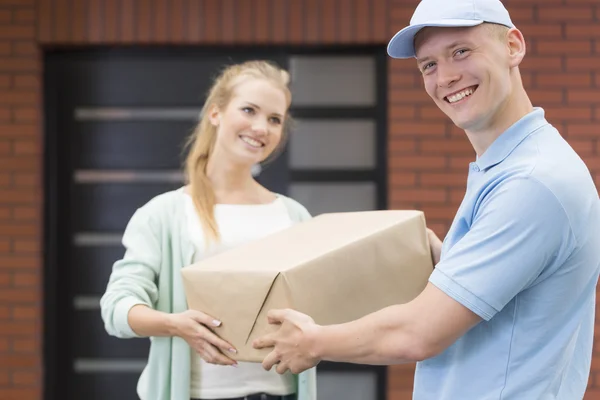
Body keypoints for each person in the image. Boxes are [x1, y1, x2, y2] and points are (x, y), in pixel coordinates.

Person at [252, 0, 600, 399]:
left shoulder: (531, 182)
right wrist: (443, 256)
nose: (446, 76)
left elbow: (418, 333)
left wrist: (314, 341)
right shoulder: (510, 166)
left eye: (461, 52)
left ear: (513, 46)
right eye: (428, 65)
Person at [100, 60, 316, 400]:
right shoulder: (165, 214)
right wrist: (175, 325)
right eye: (249, 110)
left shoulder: (294, 216)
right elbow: (117, 308)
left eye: (275, 119)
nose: (261, 127)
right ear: (215, 113)